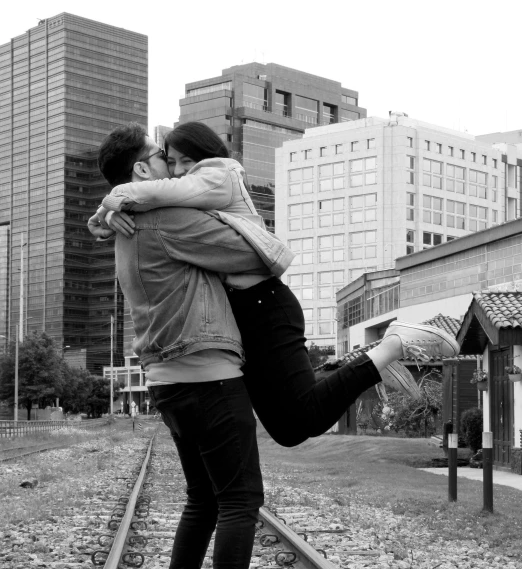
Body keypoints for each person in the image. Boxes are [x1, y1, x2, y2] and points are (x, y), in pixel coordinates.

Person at [91, 121, 460, 447]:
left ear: (206, 157)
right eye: (170, 161)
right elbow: (159, 200)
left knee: (303, 420)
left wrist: (114, 202)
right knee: (286, 429)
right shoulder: (176, 201)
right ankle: (371, 363)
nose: (176, 171)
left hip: (263, 304)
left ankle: (393, 344)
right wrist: (111, 212)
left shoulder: (217, 175)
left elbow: (161, 196)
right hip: (243, 316)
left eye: (185, 161)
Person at [96, 123, 290, 569]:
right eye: (162, 158)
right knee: (240, 499)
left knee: (204, 499)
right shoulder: (164, 218)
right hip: (206, 375)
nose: (174, 168)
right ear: (141, 171)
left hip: (172, 381)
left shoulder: (129, 224)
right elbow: (258, 254)